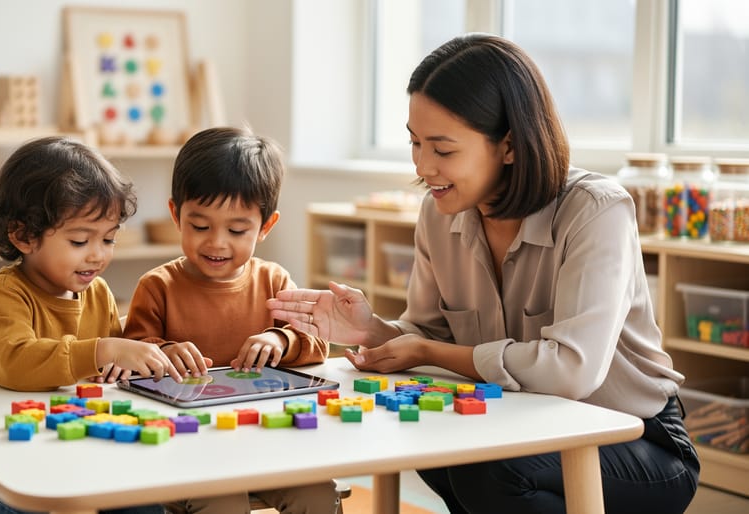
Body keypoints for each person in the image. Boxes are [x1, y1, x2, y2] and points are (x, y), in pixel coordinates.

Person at [268, 34, 699, 514]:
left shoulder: (595, 211)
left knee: (494, 470)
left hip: (637, 438)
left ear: (509, 145)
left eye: (442, 150)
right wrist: (371, 330)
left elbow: (569, 372)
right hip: (524, 421)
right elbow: (429, 334)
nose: (423, 166)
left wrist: (431, 350)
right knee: (438, 446)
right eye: (414, 142)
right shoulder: (439, 214)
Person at [124, 126, 339, 514]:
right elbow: (130, 358)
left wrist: (280, 340)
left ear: (266, 226)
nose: (217, 242)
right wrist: (165, 352)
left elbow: (316, 342)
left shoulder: (274, 281)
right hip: (184, 448)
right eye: (200, 225)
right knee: (222, 502)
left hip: (267, 441)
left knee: (320, 496)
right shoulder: (157, 286)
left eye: (237, 230)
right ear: (175, 214)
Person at [0, 136, 173, 514]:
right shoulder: (4, 295)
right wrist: (101, 349)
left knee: (147, 506)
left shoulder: (99, 293)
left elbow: (114, 372)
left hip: (76, 455)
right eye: (79, 240)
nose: (98, 254)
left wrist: (142, 357)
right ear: (23, 235)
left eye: (108, 239)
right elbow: (14, 361)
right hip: (0, 467)